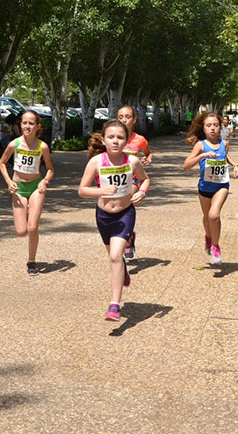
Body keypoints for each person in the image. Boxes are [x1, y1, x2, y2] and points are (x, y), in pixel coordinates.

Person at [78, 119, 150, 321]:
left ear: (126, 141)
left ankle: (114, 305)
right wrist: (102, 190)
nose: (115, 141)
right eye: (111, 137)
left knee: (115, 257)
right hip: (103, 216)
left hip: (125, 214)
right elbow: (82, 190)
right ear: (104, 139)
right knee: (114, 257)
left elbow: (145, 180)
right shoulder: (96, 162)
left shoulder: (132, 162)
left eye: (120, 137)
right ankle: (122, 269)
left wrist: (142, 193)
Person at [0, 110, 55, 276]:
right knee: (21, 231)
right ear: (20, 124)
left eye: (31, 123)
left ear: (37, 126)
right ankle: (26, 208)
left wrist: (45, 182)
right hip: (19, 188)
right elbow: (2, 163)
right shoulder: (14, 144)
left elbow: (51, 169)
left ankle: (32, 261)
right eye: (24, 123)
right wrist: (9, 182)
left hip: (36, 188)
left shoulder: (42, 146)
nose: (27, 126)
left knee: (33, 227)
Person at [183, 112, 238, 265]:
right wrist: (201, 156)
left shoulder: (225, 144)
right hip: (204, 187)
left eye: (216, 125)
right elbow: (186, 166)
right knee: (207, 217)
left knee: (214, 215)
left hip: (221, 186)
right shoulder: (200, 145)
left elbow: (225, 157)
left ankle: (215, 246)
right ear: (203, 128)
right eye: (209, 126)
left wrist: (235, 165)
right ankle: (208, 237)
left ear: (220, 127)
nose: (213, 128)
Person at [116, 105, 154, 259]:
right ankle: (129, 235)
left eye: (128, 117)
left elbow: (149, 153)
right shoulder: (113, 137)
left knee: (124, 205)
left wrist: (147, 159)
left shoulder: (139, 139)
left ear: (134, 120)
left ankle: (126, 241)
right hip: (114, 179)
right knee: (118, 210)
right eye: (121, 117)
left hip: (132, 179)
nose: (124, 120)